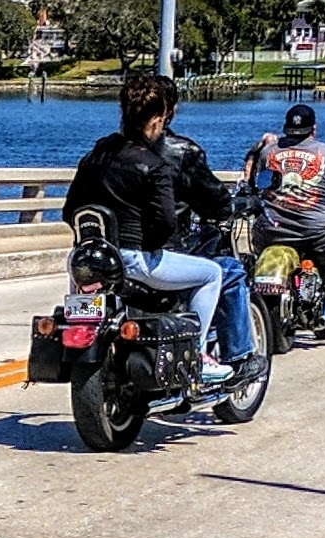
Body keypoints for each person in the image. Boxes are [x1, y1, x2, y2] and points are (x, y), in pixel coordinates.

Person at [62, 72, 233, 384]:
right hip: (135, 260)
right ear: (156, 120)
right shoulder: (154, 167)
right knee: (213, 274)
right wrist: (149, 245)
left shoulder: (94, 156)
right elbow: (165, 223)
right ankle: (199, 356)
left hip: (87, 259)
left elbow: (69, 211)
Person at [156, 81, 267, 385]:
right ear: (170, 111)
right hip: (164, 254)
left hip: (114, 254)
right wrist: (236, 206)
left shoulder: (108, 150)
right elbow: (215, 200)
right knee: (228, 271)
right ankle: (237, 357)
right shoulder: (182, 152)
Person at [254, 103, 325, 327]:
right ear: (313, 129)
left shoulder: (268, 152)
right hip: (315, 231)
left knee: (253, 257)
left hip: (272, 230)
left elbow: (257, 182)